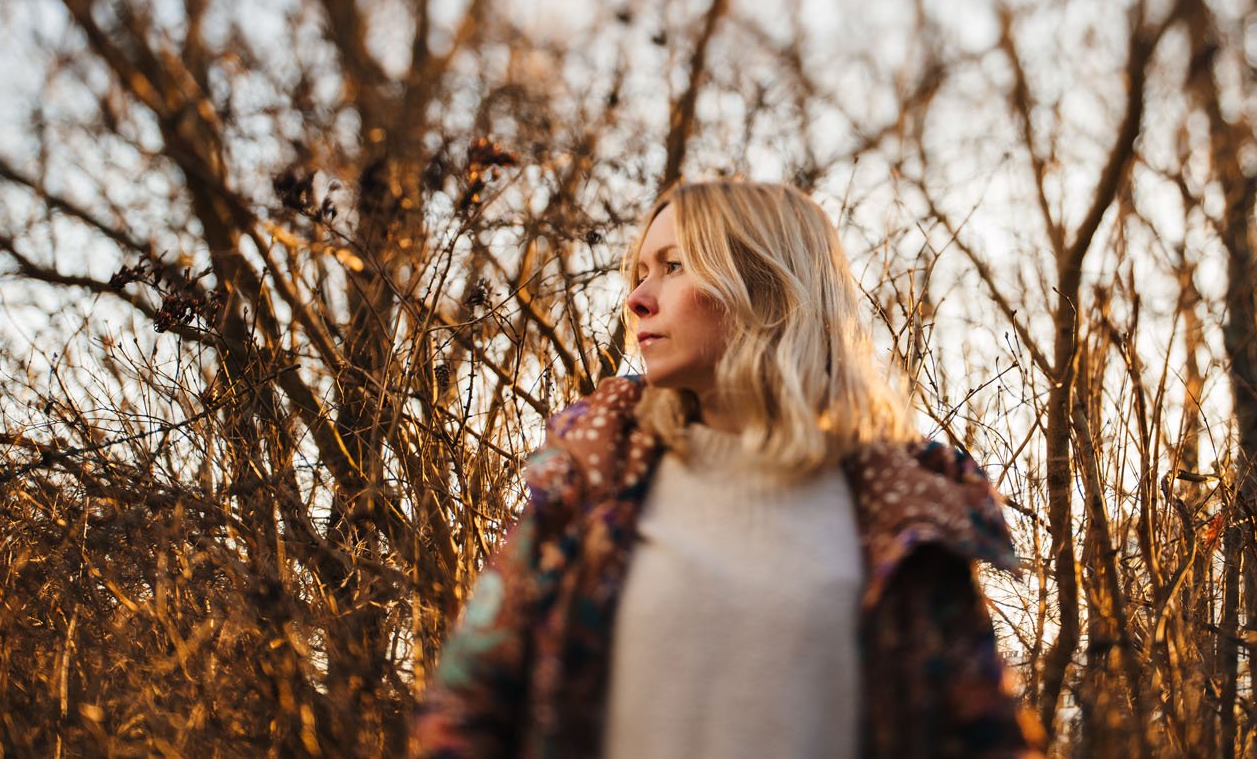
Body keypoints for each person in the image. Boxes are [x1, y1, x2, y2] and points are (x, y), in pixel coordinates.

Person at [414, 180, 1045, 758]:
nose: (636, 299)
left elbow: (985, 738)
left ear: (768, 286)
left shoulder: (902, 513)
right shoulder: (592, 475)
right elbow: (464, 713)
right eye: (640, 272)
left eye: (674, 265)